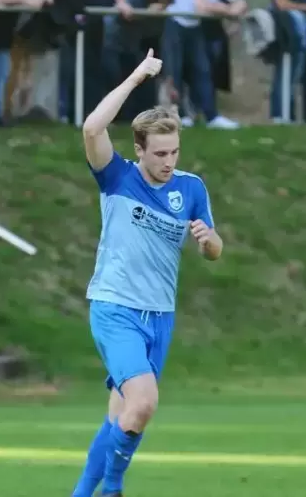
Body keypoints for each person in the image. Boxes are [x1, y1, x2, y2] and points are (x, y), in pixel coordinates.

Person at [72, 49, 223, 497]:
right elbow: (91, 128)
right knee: (144, 404)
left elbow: (215, 250)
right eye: (159, 153)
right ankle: (113, 488)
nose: (168, 161)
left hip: (160, 316)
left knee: (119, 415)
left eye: (174, 151)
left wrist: (207, 241)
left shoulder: (191, 188)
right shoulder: (117, 177)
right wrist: (137, 75)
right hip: (116, 307)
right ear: (138, 149)